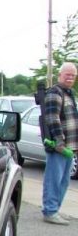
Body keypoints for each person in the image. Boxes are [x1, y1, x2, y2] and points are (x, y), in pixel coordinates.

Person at [41, 62, 78, 225]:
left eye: (73, 75)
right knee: (54, 180)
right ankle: (50, 211)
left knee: (63, 181)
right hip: (59, 147)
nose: (70, 77)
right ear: (60, 75)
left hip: (70, 147)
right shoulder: (55, 92)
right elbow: (52, 118)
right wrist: (59, 142)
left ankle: (55, 209)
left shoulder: (69, 93)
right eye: (67, 74)